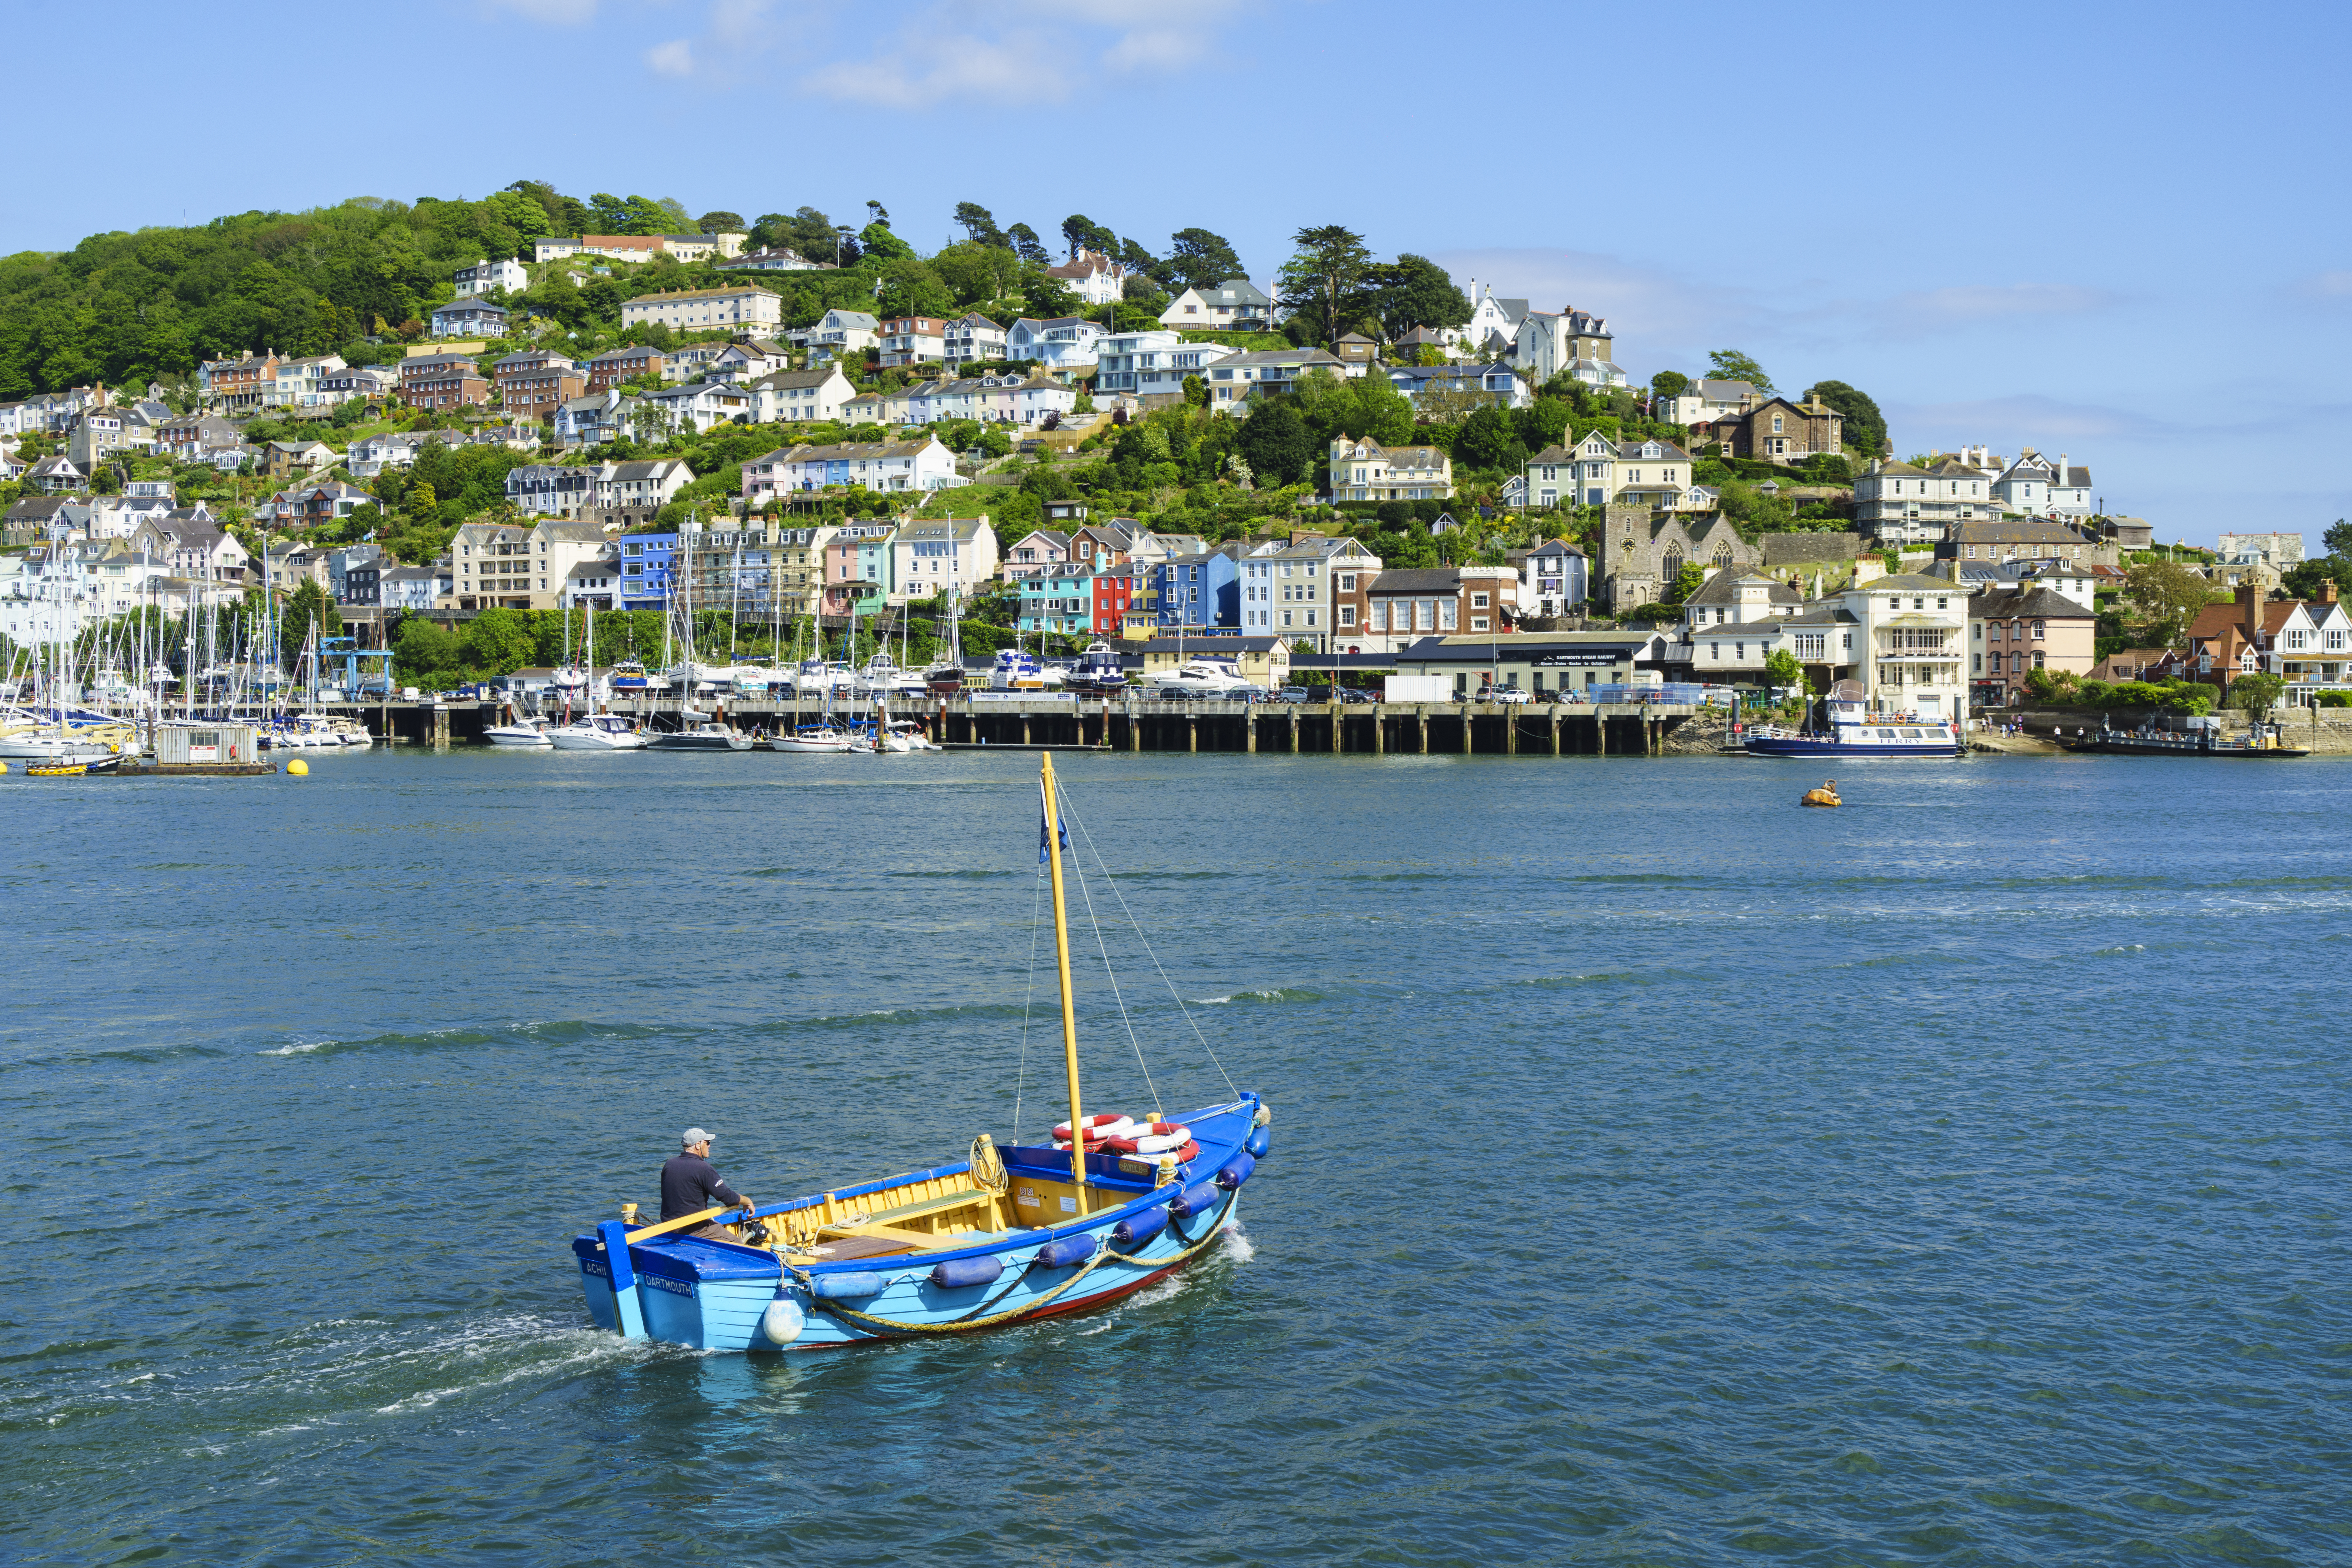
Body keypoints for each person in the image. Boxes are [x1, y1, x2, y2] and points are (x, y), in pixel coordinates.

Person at [661, 1128, 755, 1240]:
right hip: (693, 1229)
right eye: (708, 1143)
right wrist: (748, 1201)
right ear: (698, 1145)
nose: (710, 1146)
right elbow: (727, 1197)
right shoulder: (704, 1169)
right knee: (738, 1245)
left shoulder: (669, 1164)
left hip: (668, 1227)